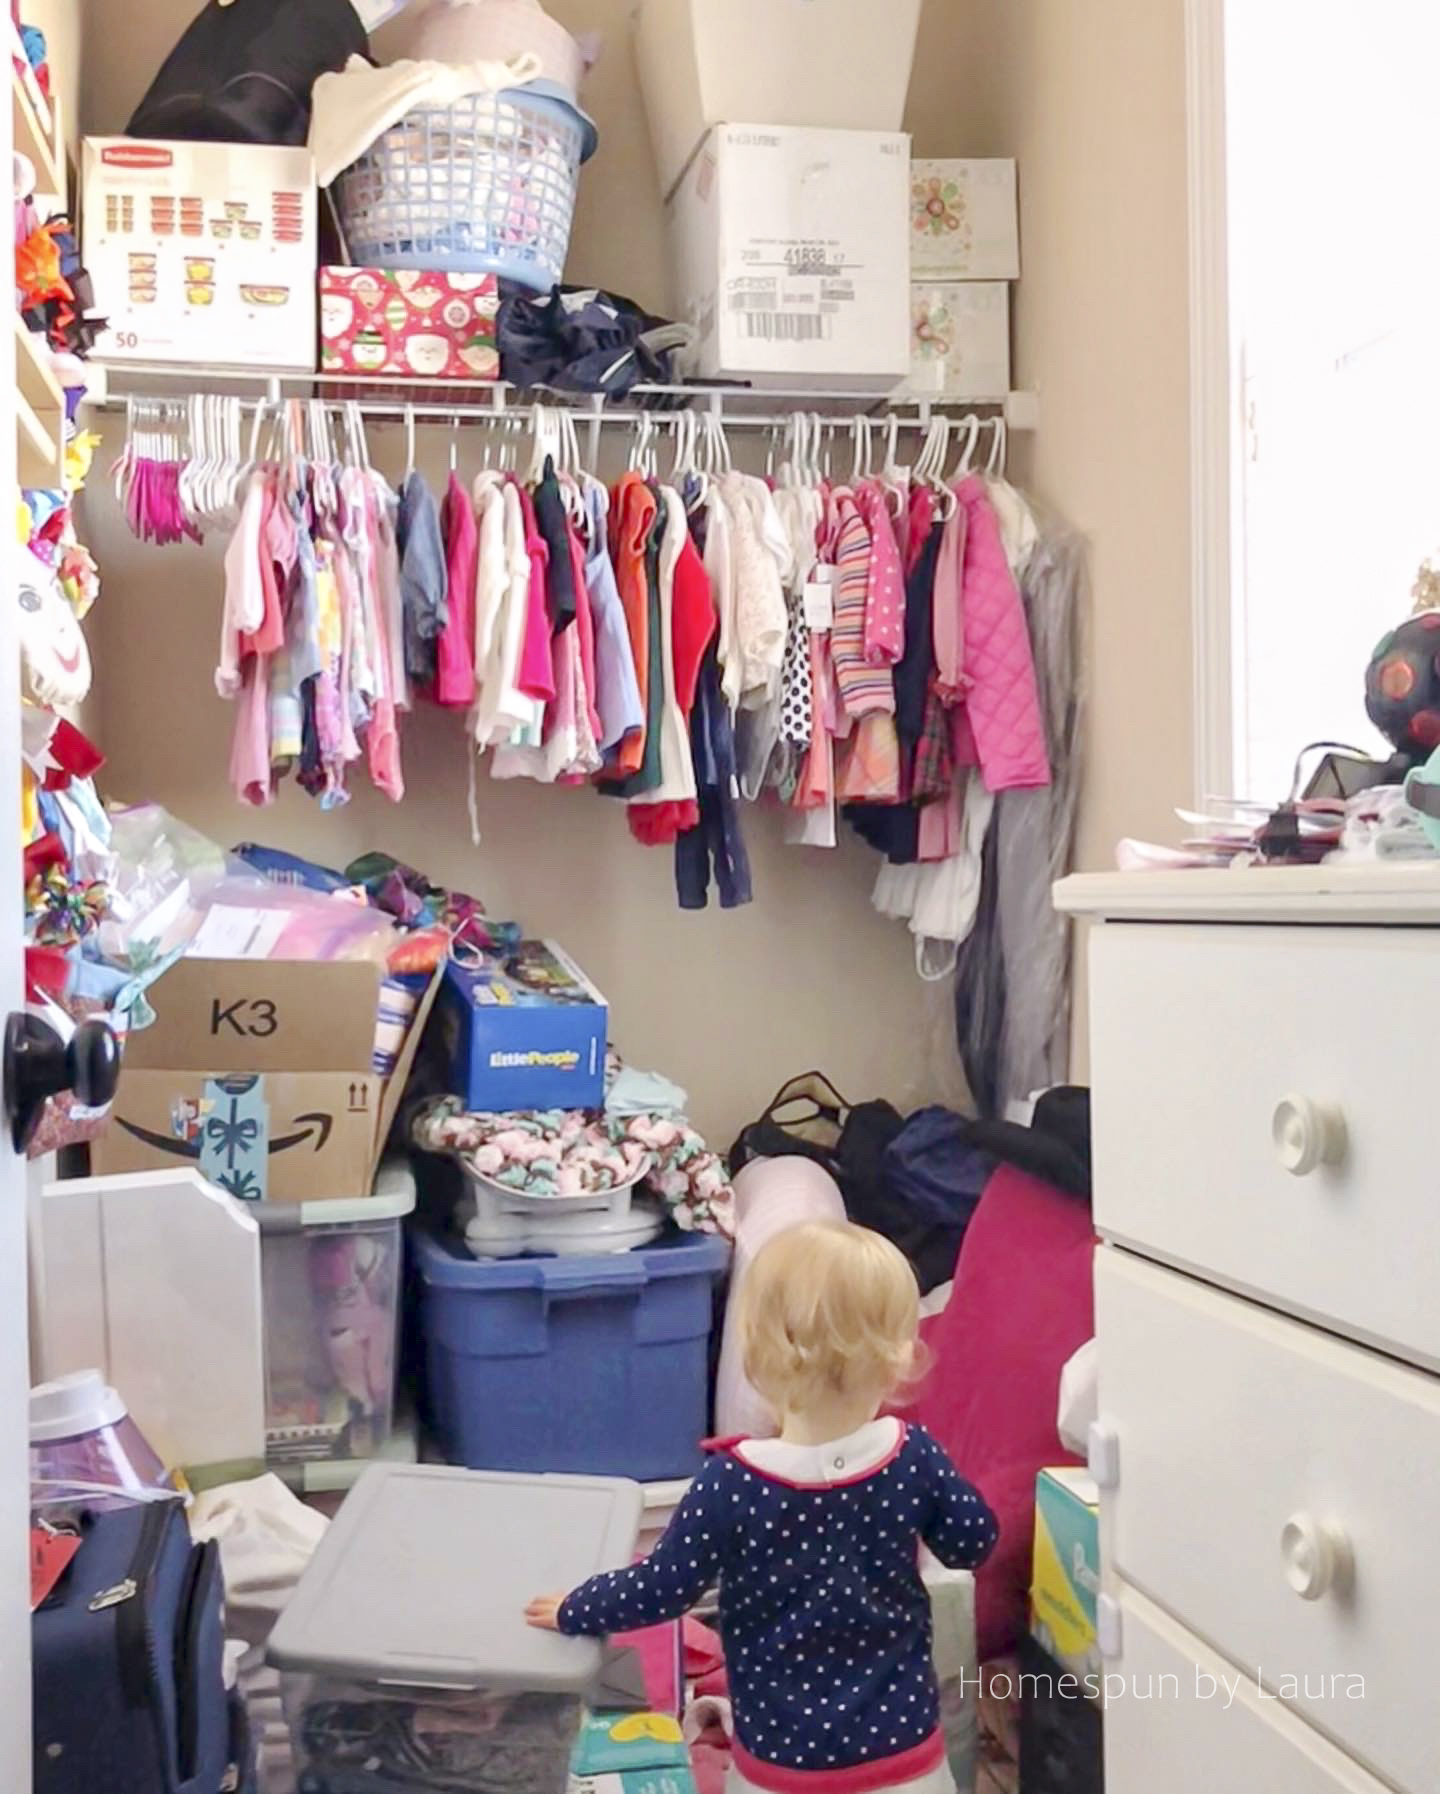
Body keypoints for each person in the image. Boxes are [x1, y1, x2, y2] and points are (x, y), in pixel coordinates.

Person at [527, 1220, 998, 1794]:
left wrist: (578, 1607)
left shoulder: (731, 1482)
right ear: (899, 1358)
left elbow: (661, 1588)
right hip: (903, 1758)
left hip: (780, 1763)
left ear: (756, 1351)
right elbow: (974, 1541)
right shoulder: (913, 1459)